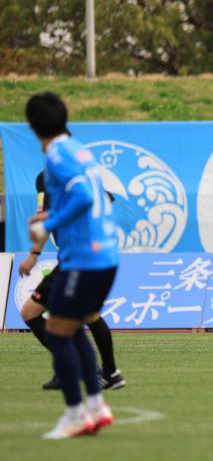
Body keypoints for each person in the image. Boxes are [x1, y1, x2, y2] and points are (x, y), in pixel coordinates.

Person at [25, 92, 119, 439]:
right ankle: (95, 406)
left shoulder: (56, 155)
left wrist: (48, 224)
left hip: (83, 258)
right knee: (72, 326)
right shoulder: (80, 150)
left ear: (34, 126)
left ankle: (76, 414)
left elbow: (82, 196)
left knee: (57, 332)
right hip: (105, 255)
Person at [20, 171, 125, 391]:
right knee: (87, 315)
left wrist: (34, 254)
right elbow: (105, 202)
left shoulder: (48, 177)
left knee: (31, 313)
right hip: (99, 255)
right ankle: (109, 372)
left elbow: (45, 218)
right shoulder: (85, 175)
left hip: (75, 258)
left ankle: (77, 367)